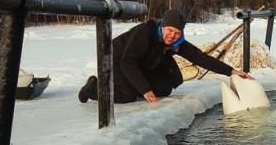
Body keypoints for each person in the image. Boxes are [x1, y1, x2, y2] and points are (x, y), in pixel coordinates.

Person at [78, 9, 253, 104]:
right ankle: (93, 87)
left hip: (142, 64)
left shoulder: (177, 42)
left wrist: (231, 71)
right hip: (116, 60)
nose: (172, 36)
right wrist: (145, 89)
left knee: (163, 89)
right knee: (127, 96)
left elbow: (200, 58)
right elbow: (128, 63)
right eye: (169, 30)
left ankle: (135, 87)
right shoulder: (145, 33)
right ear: (163, 26)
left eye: (177, 33)